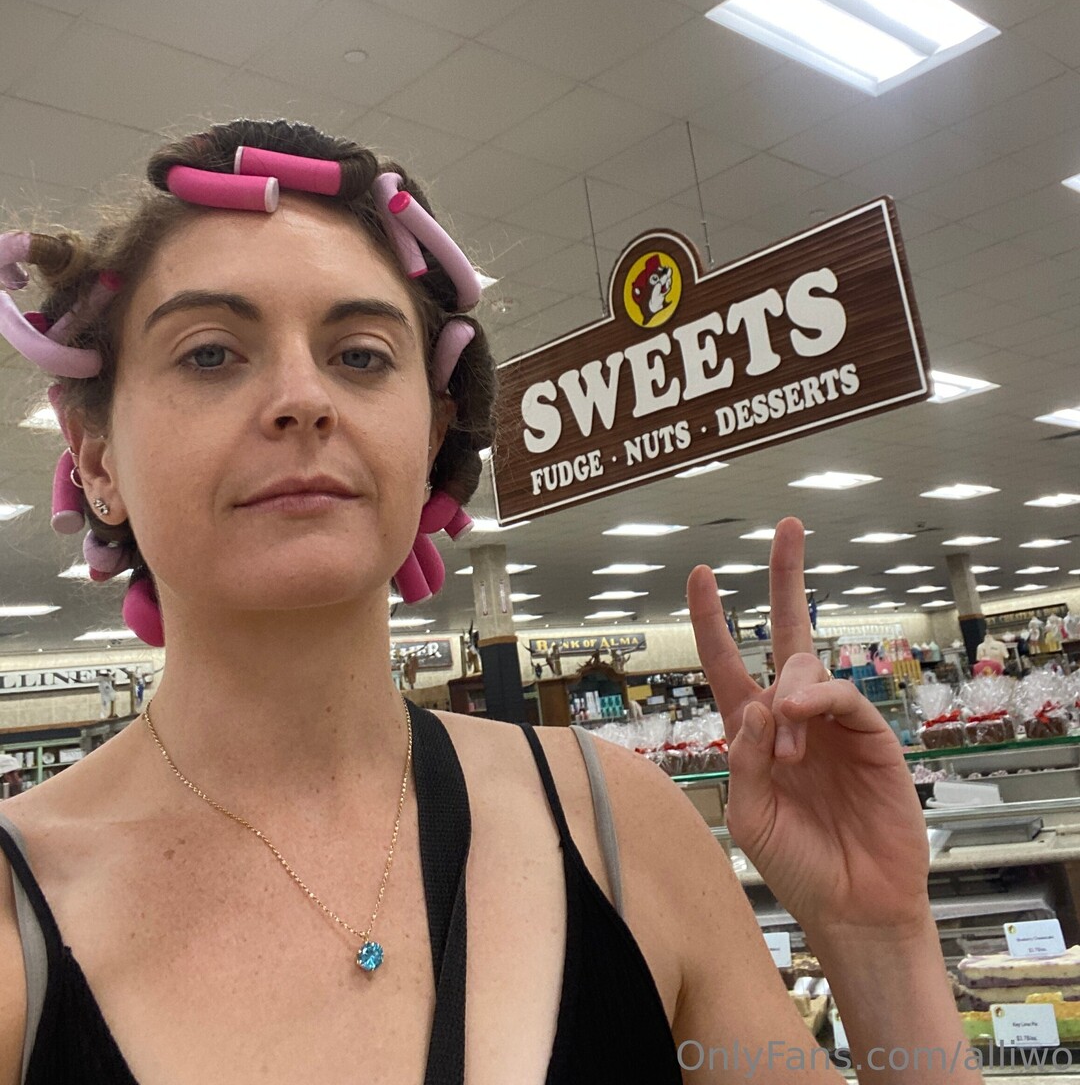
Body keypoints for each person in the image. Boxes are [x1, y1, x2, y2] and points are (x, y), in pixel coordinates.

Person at [0, 119, 981, 1083]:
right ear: (96, 461)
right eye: (211, 353)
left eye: (361, 355)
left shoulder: (619, 828)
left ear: (430, 437)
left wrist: (878, 940)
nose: (304, 399)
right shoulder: (17, 926)